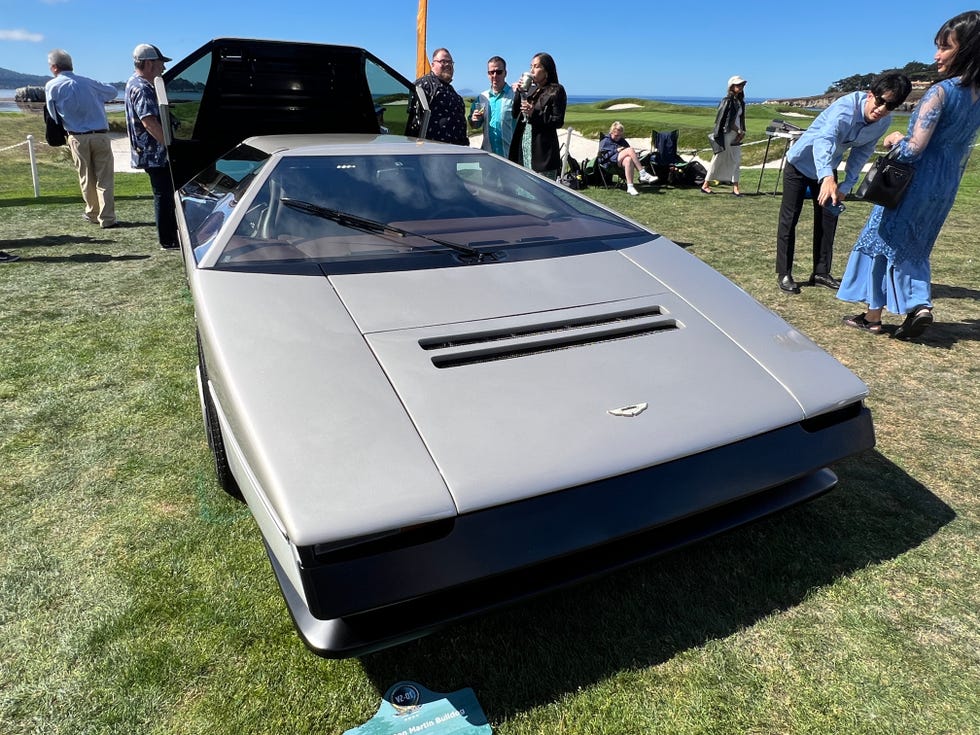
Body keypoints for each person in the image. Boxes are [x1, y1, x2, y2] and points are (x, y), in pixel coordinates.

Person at [838, 11, 980, 340]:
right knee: (915, 245)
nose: (937, 55)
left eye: (945, 47)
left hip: (911, 181)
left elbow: (915, 148)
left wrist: (895, 140)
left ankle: (897, 310)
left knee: (880, 238)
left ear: (967, 49)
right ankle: (901, 309)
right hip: (945, 184)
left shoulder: (941, 91)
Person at [774, 73, 912, 294]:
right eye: (880, 101)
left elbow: (862, 151)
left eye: (891, 105)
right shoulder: (845, 108)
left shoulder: (882, 122)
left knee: (828, 219)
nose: (882, 109)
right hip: (800, 163)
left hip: (828, 168)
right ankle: (784, 273)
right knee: (790, 218)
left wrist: (848, 184)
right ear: (870, 95)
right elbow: (824, 140)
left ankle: (820, 272)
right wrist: (826, 177)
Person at [44, 49, 118, 229]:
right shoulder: (88, 83)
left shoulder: (52, 86)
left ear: (54, 67)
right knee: (104, 178)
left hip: (76, 136)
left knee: (86, 177)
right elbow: (113, 92)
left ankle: (93, 212)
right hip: (100, 134)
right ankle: (107, 217)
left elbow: (53, 115)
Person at [125, 43, 178, 250]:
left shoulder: (132, 83)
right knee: (163, 195)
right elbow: (149, 122)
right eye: (160, 64)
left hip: (149, 153)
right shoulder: (143, 87)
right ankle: (168, 240)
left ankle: (170, 236)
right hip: (155, 154)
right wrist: (170, 144)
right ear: (148, 64)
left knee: (164, 193)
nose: (163, 69)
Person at [508, 52, 567, 180]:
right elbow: (515, 114)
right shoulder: (533, 90)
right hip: (525, 148)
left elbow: (558, 121)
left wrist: (534, 114)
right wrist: (519, 92)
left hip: (542, 153)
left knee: (542, 193)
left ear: (546, 70)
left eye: (536, 66)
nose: (532, 70)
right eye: (531, 66)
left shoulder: (556, 90)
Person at [406, 48, 468, 145]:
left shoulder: (455, 95)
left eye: (450, 62)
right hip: (430, 153)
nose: (448, 65)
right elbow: (411, 123)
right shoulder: (423, 86)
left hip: (456, 153)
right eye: (443, 61)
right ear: (433, 65)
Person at [701, 75, 747, 196]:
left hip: (736, 134)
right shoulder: (727, 100)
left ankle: (736, 187)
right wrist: (739, 131)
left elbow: (740, 120)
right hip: (727, 134)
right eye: (738, 85)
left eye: (742, 85)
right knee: (718, 159)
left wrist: (742, 131)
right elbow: (725, 121)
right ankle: (705, 184)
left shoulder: (740, 102)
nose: (741, 87)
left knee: (736, 160)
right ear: (732, 86)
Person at [470, 56, 516, 157]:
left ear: (505, 73)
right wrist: (474, 120)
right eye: (491, 72)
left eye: (499, 72)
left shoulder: (515, 96)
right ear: (488, 74)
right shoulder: (482, 98)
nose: (495, 75)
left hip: (510, 158)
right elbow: (474, 125)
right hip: (488, 158)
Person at [598, 121, 658, 196]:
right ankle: (643, 173)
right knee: (630, 150)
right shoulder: (605, 141)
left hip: (619, 162)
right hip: (609, 163)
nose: (618, 138)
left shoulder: (622, 140)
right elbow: (601, 159)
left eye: (620, 135)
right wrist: (616, 150)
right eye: (616, 135)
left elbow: (629, 153)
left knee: (628, 160)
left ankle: (630, 187)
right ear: (611, 132)